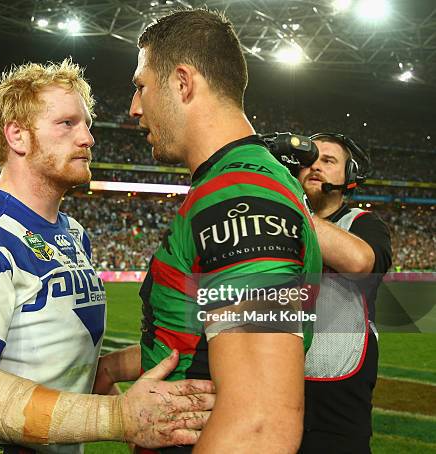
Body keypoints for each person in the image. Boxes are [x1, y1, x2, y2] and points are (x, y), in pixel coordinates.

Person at [0, 59, 215, 454]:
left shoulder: (73, 234)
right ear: (18, 136)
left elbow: (61, 360)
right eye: (67, 123)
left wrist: (167, 358)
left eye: (86, 123)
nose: (88, 138)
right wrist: (119, 417)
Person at [123, 8, 322, 453]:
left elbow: (260, 424)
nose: (134, 108)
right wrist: (113, 367)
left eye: (141, 86)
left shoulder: (238, 197)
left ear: (182, 82)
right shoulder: (240, 182)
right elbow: (202, 343)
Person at [298, 133, 392, 453]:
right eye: (309, 160)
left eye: (328, 161)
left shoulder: (365, 223)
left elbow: (360, 261)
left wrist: (289, 207)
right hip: (279, 380)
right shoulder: (277, 224)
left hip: (338, 390)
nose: (315, 166)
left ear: (349, 175)